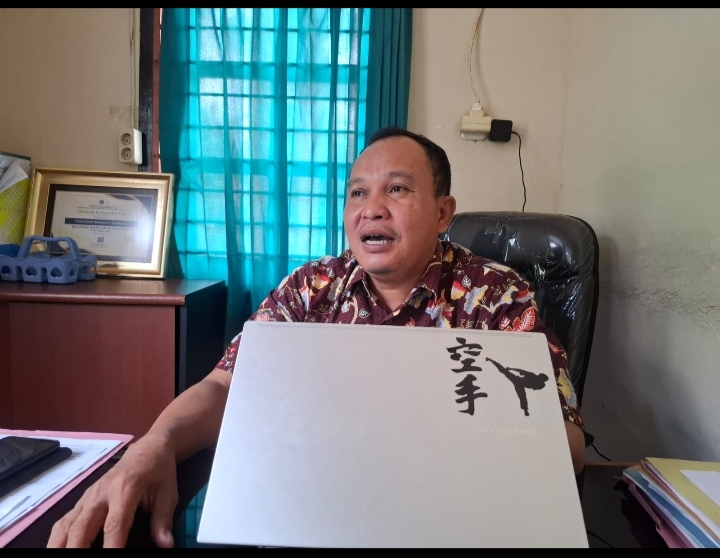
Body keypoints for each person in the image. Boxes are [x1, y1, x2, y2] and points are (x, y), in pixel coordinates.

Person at [48, 127, 587, 549]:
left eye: (397, 189)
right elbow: (226, 385)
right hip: (319, 511)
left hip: (451, 523)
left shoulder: (496, 294)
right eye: (358, 193)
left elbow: (566, 446)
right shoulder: (313, 286)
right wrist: (154, 445)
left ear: (443, 212)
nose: (371, 208)